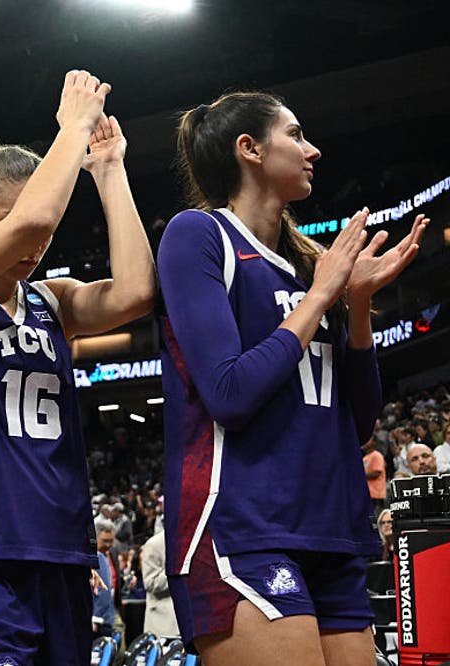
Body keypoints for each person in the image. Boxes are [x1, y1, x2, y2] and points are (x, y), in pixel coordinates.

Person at [159, 91, 428, 665]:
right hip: (240, 525)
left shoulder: (311, 266)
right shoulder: (199, 235)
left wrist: (355, 306)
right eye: (296, 135)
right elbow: (229, 393)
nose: (313, 149)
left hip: (328, 527)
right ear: (249, 149)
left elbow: (358, 422)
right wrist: (323, 294)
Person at [0, 69, 154, 666]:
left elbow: (138, 292)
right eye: (6, 216)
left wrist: (110, 170)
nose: (34, 239)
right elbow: (34, 222)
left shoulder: (53, 302)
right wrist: (72, 127)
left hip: (62, 547)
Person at [141, 529, 179, 638]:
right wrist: (175, 566)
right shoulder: (155, 544)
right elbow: (150, 583)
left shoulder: (198, 541)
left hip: (195, 622)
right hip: (164, 625)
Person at [362, 439, 386, 514]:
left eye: (368, 440)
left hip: (376, 495)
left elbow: (376, 473)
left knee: (375, 520)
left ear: (374, 442)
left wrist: (361, 476)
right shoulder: (365, 457)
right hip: (368, 494)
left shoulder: (377, 455)